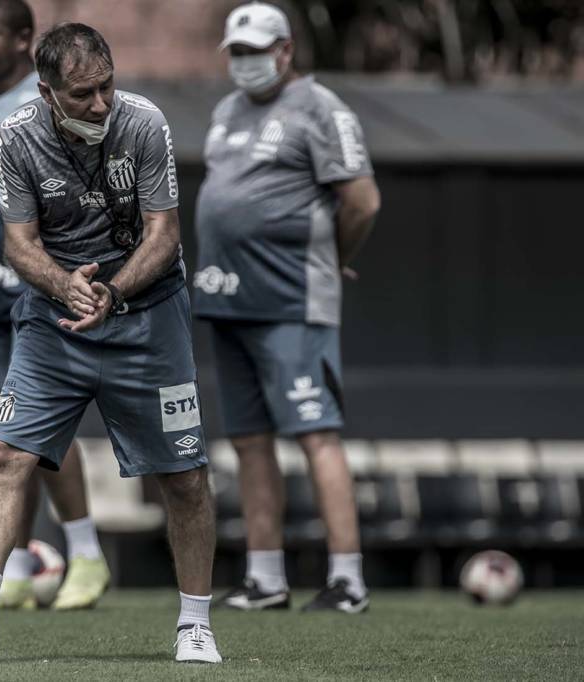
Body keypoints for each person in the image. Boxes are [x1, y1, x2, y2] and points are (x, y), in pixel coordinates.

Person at [0, 22, 222, 664]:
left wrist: (112, 292)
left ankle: (195, 625)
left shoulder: (144, 123)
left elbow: (164, 236)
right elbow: (19, 245)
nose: (101, 104)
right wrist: (62, 284)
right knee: (2, 456)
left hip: (149, 319)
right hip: (53, 323)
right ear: (46, 92)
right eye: (82, 94)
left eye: (107, 86)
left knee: (185, 478)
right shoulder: (16, 136)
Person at [193, 2, 381, 613]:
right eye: (237, 52)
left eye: (255, 51)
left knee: (315, 433)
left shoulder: (321, 108)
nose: (245, 62)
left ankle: (347, 580)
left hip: (291, 302)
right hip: (228, 299)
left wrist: (334, 256)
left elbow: (362, 202)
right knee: (248, 441)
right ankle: (266, 579)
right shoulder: (226, 110)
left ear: (286, 50)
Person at [0, 0, 110, 610]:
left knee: (45, 424)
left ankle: (86, 554)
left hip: (40, 285)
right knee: (5, 432)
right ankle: (17, 565)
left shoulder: (51, 105)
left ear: (23, 40)